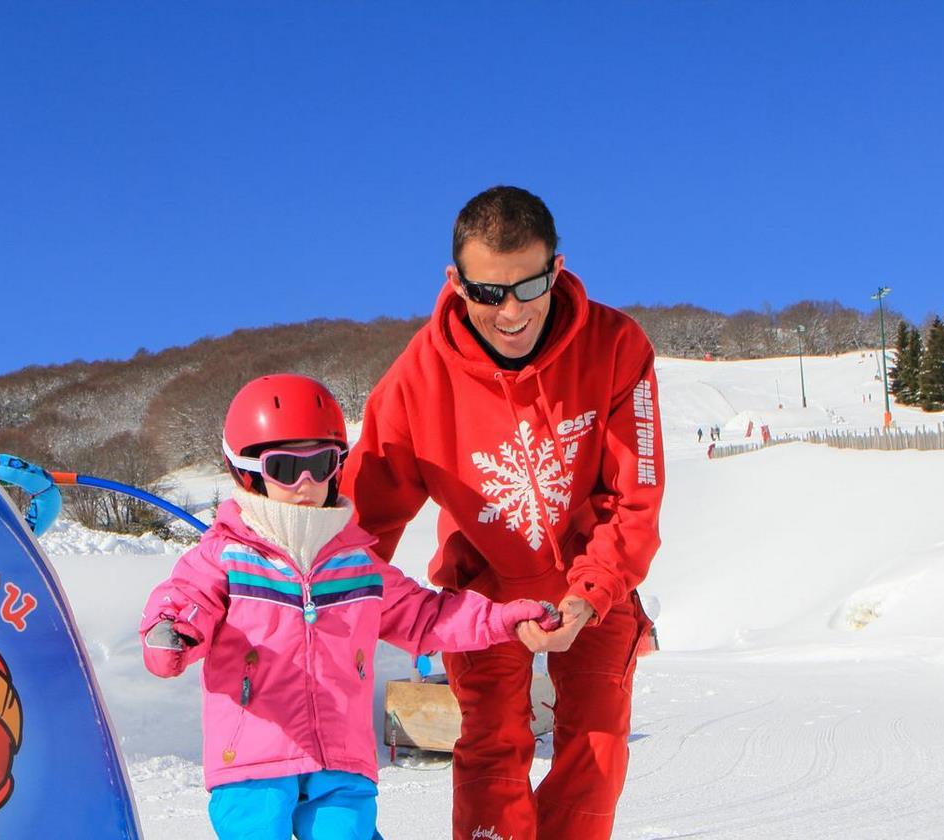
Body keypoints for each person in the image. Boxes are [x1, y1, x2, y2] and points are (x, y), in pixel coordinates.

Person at [344, 186, 665, 839]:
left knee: (596, 748)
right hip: (486, 591)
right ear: (456, 283)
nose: (511, 312)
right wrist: (301, 587)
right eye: (489, 292)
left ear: (558, 268)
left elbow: (636, 494)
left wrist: (592, 592)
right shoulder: (416, 382)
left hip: (594, 580)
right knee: (494, 747)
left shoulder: (615, 346)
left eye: (530, 286)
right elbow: (357, 521)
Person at [140, 373, 560, 840]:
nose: (305, 482)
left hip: (340, 758)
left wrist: (501, 618)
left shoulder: (357, 566)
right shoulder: (226, 557)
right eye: (283, 467)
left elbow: (426, 616)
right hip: (253, 759)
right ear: (247, 471)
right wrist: (172, 630)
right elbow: (184, 599)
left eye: (319, 464)